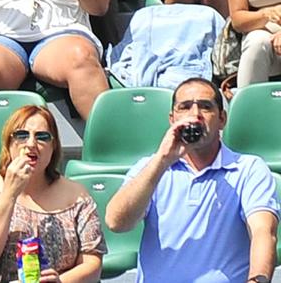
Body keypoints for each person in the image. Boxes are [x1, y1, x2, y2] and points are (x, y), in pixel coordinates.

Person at [104, 76, 279, 283]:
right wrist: (162, 160)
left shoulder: (248, 169)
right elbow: (116, 222)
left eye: (205, 107)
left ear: (222, 119)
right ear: (172, 119)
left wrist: (256, 280)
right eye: (185, 107)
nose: (195, 115)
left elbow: (263, 232)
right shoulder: (149, 168)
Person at [0, 103, 108, 283]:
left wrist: (60, 281)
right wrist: (9, 194)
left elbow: (92, 264)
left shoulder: (77, 197)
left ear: (53, 147)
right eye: (22, 135)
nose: (31, 144)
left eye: (42, 137)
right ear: (8, 144)